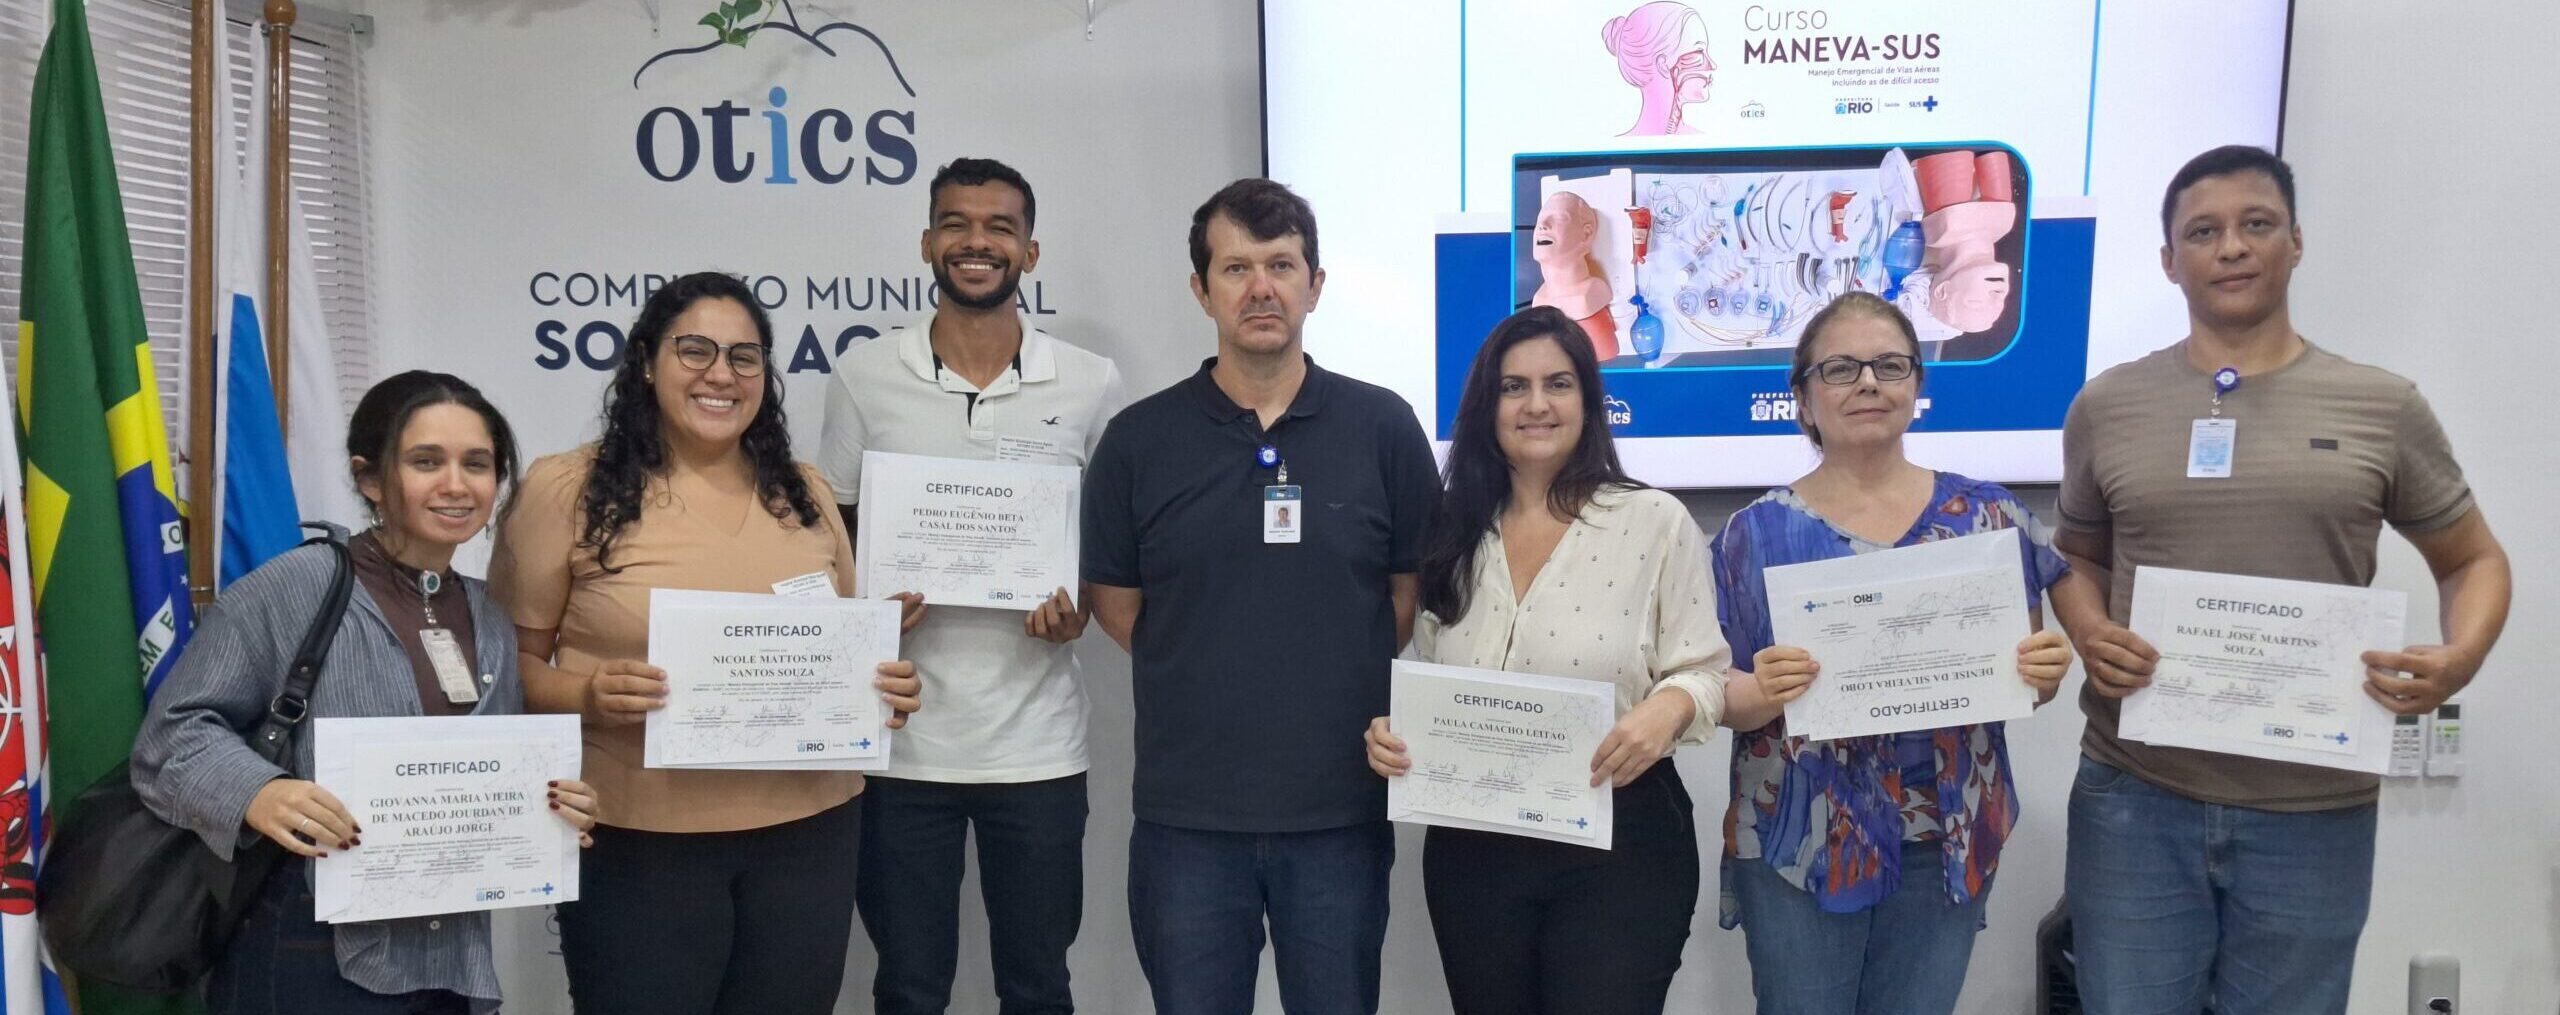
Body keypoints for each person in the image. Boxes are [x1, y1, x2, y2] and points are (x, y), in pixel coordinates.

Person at [2057, 146, 2511, 1014]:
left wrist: (2459, 659)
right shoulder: (2107, 405)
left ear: (2295, 243)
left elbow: (2473, 558)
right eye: (2204, 231)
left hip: (2315, 808)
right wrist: (2087, 629)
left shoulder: (2381, 404)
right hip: (2134, 797)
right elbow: (2076, 554)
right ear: (2168, 260)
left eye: (2255, 225)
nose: (2231, 247)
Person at [490, 271, 926, 1014]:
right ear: (647, 360)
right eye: (695, 350)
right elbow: (503, 670)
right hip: (639, 839)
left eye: (744, 355)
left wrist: (883, 688)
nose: (721, 373)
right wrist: (588, 693)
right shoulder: (567, 489)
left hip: (810, 834)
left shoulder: (808, 492)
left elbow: (842, 649)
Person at [1081, 178, 1440, 1015]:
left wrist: (1318, 655)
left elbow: (1406, 592)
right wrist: (1209, 653)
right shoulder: (1140, 440)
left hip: (1340, 813)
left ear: (1316, 285)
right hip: (1189, 823)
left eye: (1281, 264)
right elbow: (1119, 603)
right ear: (1201, 290)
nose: (1261, 287)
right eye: (1236, 267)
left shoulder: (1383, 427)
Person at [133, 371, 598, 1014]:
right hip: (310, 939)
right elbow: (170, 737)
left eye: (478, 464)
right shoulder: (299, 586)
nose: (457, 484)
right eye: (426, 462)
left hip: (454, 952)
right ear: (370, 479)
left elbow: (477, 771)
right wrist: (258, 791)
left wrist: (546, 802)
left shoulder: (489, 615)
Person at [1710, 291, 2084, 1014]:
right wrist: (1759, 688)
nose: (1869, 383)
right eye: (1842, 368)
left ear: (1918, 385)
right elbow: (1714, 693)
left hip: (1944, 834)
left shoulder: (1988, 517)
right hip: (1801, 836)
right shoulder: (1748, 535)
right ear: (1805, 396)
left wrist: (2043, 675)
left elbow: (2027, 682)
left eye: (1890, 364)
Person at [818, 157, 1125, 1015]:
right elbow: (828, 541)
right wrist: (863, 614)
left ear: (1031, 251)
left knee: (1039, 984)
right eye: (956, 224)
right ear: (927, 243)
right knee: (910, 986)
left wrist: (1082, 611)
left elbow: (1111, 547)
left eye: (999, 227)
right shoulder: (864, 376)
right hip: (900, 743)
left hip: (1038, 747)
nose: (977, 242)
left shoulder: (1092, 382)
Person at [1362, 305, 1730, 1014]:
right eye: (1514, 387)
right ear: (1486, 406)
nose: (1536, 404)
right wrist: (1397, 733)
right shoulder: (1453, 531)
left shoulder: (1653, 521)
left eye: (1558, 383)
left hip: (1621, 841)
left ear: (1589, 402)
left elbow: (1706, 670)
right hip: (1476, 852)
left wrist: (1669, 707)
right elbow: (1432, 676)